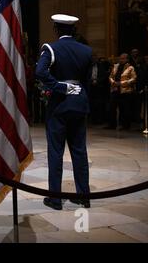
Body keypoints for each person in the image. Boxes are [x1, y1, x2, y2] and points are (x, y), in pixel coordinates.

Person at [35, 14, 92, 210]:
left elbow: (40, 72)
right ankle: (84, 196)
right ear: (73, 30)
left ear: (56, 30)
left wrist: (59, 87)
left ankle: (55, 198)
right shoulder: (86, 50)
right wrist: (78, 93)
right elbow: (87, 80)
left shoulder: (50, 48)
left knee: (56, 152)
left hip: (59, 105)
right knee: (79, 151)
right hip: (79, 102)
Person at [107, 53, 137, 130]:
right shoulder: (115, 66)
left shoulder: (130, 67)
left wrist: (121, 83)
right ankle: (112, 125)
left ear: (127, 59)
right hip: (115, 89)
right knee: (111, 108)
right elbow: (110, 76)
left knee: (125, 109)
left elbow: (133, 79)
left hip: (125, 91)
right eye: (120, 58)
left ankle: (125, 126)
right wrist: (113, 82)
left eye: (123, 58)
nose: (121, 60)